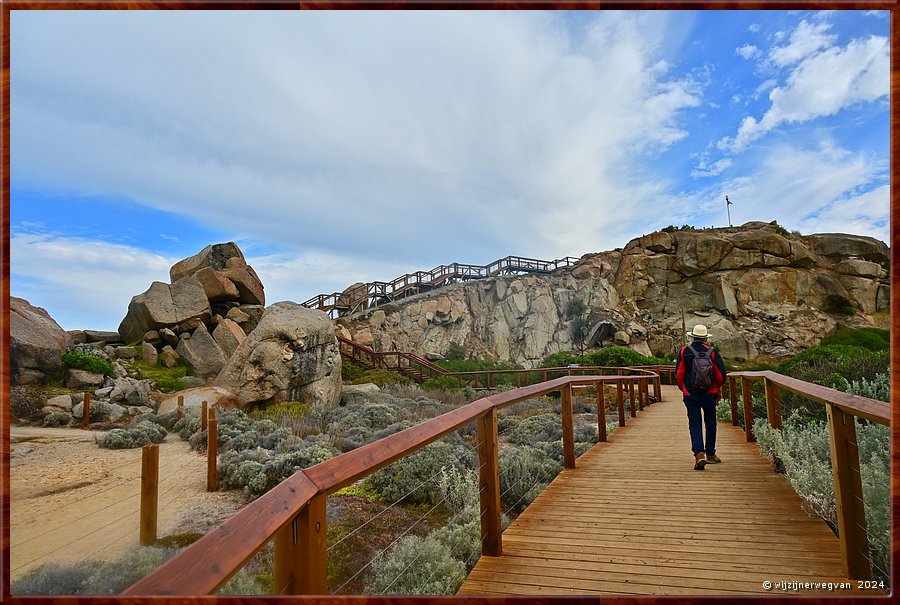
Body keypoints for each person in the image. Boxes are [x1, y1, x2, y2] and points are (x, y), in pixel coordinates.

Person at [675, 324, 727, 470]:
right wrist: (715, 388)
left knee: (695, 423)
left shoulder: (684, 351)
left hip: (691, 394)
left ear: (692, 337)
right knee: (711, 422)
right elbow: (721, 375)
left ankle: (699, 454)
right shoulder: (712, 352)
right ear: (705, 338)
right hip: (709, 394)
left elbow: (679, 374)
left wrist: (684, 388)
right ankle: (710, 454)